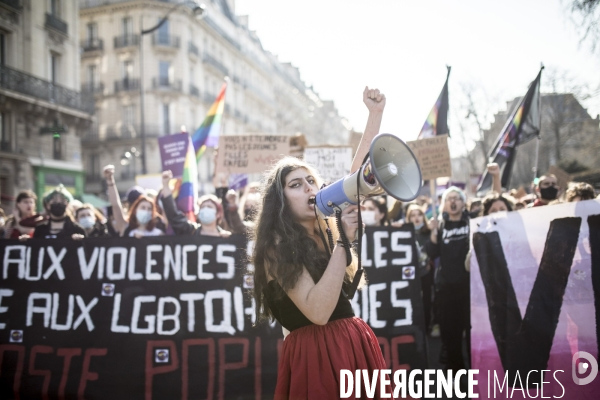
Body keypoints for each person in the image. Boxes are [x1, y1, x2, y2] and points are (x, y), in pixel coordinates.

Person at [251, 87, 390, 399]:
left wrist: (374, 115)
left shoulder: (327, 230)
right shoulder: (276, 250)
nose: (308, 188)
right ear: (280, 201)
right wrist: (344, 244)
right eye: (295, 185)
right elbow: (317, 312)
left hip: (352, 344)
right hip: (317, 358)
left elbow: (356, 179)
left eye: (311, 181)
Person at [426, 186, 470, 372]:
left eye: (457, 198)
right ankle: (458, 374)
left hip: (469, 289)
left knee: (472, 334)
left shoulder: (472, 222)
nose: (453, 201)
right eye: (449, 198)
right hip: (446, 291)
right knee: (450, 336)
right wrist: (433, 232)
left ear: (463, 203)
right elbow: (431, 252)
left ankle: (479, 372)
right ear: (444, 204)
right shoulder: (441, 226)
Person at [161, 170, 232, 237]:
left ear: (218, 214)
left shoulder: (224, 236)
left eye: (209, 207)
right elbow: (174, 217)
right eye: (203, 207)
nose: (205, 209)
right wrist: (165, 185)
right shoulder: (190, 231)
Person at [104, 165, 165, 237]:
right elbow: (115, 205)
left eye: (149, 209)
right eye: (143, 208)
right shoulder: (126, 228)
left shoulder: (158, 233)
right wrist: (110, 180)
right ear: (135, 210)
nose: (146, 211)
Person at [405, 203, 435, 335]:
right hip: (410, 274)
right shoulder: (405, 233)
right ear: (409, 218)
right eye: (413, 215)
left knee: (427, 300)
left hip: (426, 273)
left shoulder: (429, 232)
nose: (416, 218)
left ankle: (428, 325)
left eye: (419, 215)